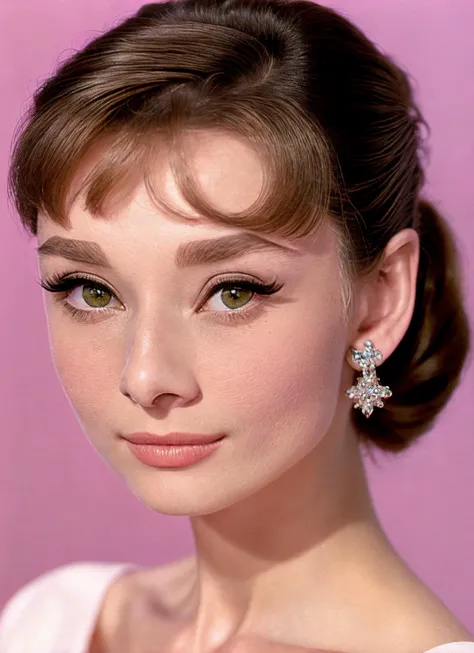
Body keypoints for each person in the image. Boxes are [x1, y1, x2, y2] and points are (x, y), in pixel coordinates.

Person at [0, 0, 472, 651]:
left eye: (231, 291)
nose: (145, 377)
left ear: (380, 298)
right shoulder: (50, 620)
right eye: (91, 289)